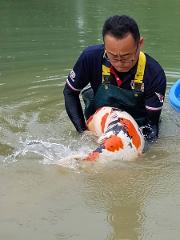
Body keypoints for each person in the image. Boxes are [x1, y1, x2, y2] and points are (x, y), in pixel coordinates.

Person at [63, 15, 166, 141]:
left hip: (138, 128)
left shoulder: (154, 74)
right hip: (99, 125)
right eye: (113, 56)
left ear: (140, 44)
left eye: (126, 56)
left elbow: (152, 127)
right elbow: (70, 92)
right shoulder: (90, 57)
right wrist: (82, 132)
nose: (119, 63)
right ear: (105, 45)